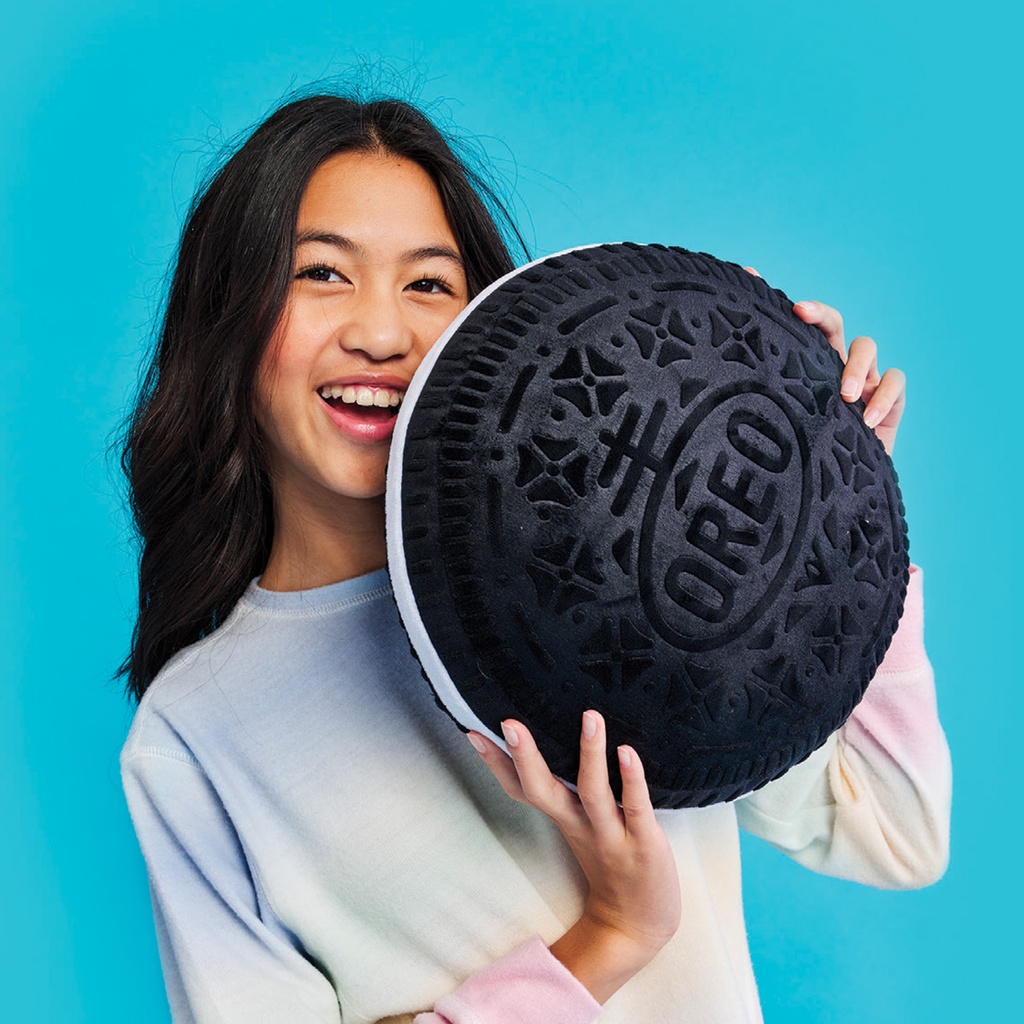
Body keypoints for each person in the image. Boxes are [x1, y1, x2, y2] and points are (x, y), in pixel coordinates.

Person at [119, 91, 951, 1024]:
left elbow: (897, 830)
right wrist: (607, 938)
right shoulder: (194, 733)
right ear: (226, 315)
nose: (383, 335)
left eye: (429, 284)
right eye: (321, 274)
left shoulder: (625, 562)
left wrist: (825, 509)